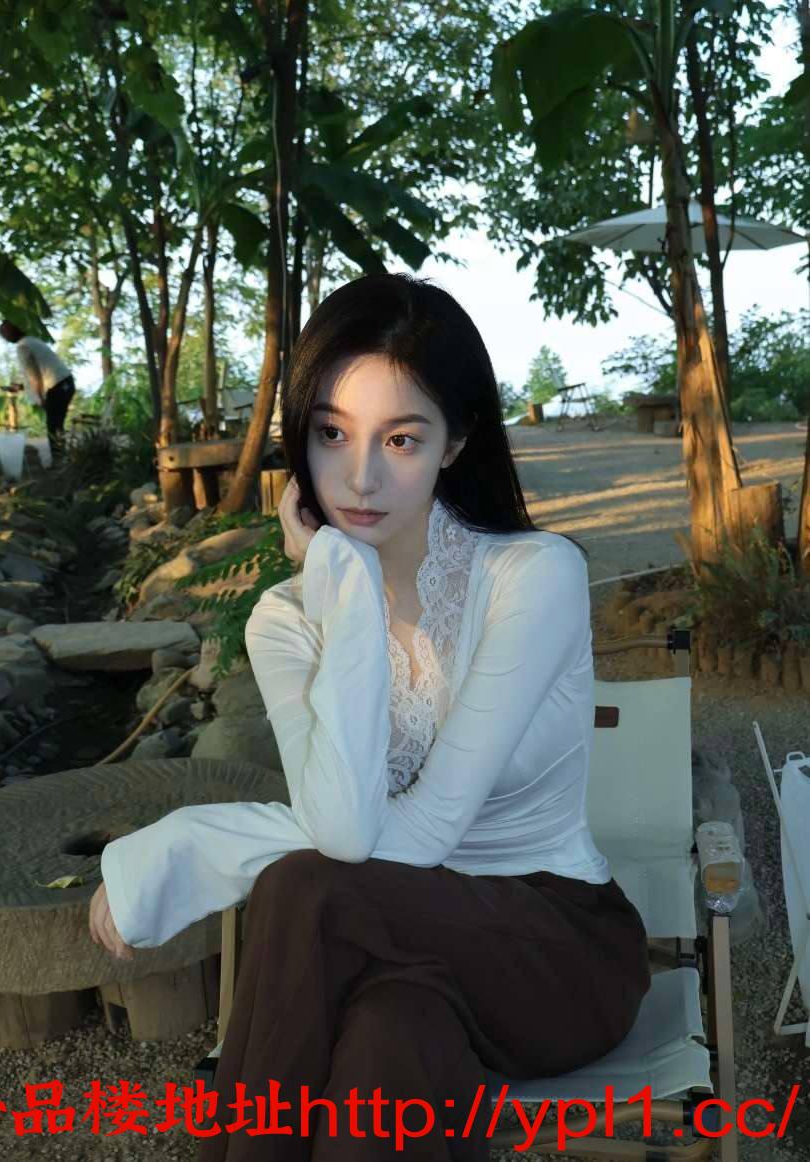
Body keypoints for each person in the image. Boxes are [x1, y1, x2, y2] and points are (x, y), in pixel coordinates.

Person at [89, 272, 651, 1160]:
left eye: (401, 438)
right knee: (390, 1043)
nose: (359, 478)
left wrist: (192, 844)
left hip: (552, 950)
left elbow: (411, 837)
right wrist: (340, 589)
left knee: (302, 889)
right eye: (331, 434)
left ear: (455, 442)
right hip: (394, 956)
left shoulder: (534, 577)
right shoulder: (285, 620)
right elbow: (342, 827)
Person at [0, 320, 76, 463]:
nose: (4, 337)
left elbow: (35, 377)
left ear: (12, 331)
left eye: (4, 333)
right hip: (64, 383)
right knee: (56, 424)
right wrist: (21, 387)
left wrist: (40, 397)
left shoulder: (23, 347)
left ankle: (59, 462)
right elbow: (39, 373)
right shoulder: (32, 341)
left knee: (54, 425)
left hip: (57, 386)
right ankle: (61, 459)